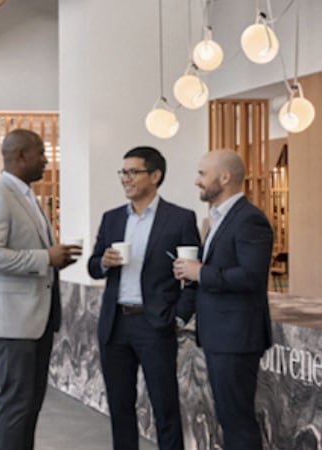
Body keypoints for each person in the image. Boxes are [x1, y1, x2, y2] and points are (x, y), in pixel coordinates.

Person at [0, 128, 80, 450]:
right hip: (12, 321)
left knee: (30, 403)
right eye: (41, 154)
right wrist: (45, 257)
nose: (47, 160)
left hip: (35, 319)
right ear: (21, 156)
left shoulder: (26, 196)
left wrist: (53, 260)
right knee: (17, 403)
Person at [88, 146, 200, 450]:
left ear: (155, 176)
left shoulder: (180, 219)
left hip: (155, 324)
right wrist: (102, 263)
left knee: (164, 406)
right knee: (120, 406)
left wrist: (177, 317)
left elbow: (193, 279)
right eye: (123, 172)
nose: (125, 179)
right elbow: (93, 265)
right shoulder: (111, 219)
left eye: (132, 172)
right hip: (115, 325)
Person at [174, 149, 273, 450]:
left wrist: (201, 272)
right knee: (229, 418)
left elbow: (251, 277)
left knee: (237, 420)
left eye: (203, 174)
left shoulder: (249, 220)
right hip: (221, 337)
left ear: (225, 177)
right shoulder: (218, 218)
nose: (197, 181)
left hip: (237, 338)